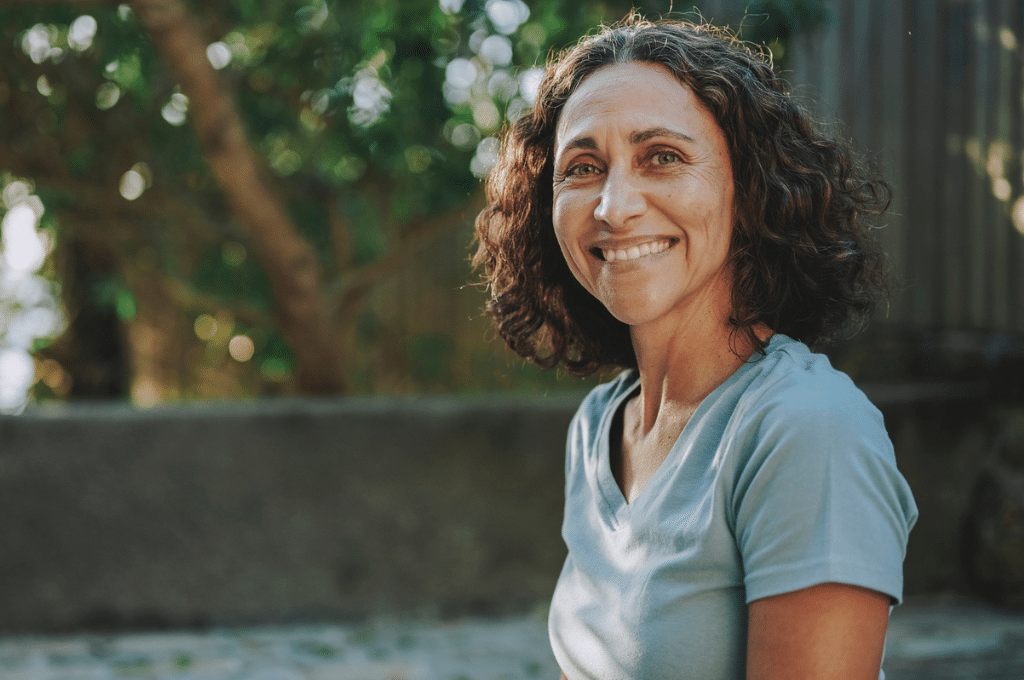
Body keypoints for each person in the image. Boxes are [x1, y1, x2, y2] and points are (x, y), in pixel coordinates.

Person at [472, 15, 918, 680]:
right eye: (584, 167)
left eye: (663, 157)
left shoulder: (805, 430)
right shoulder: (599, 427)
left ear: (750, 189)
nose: (614, 206)